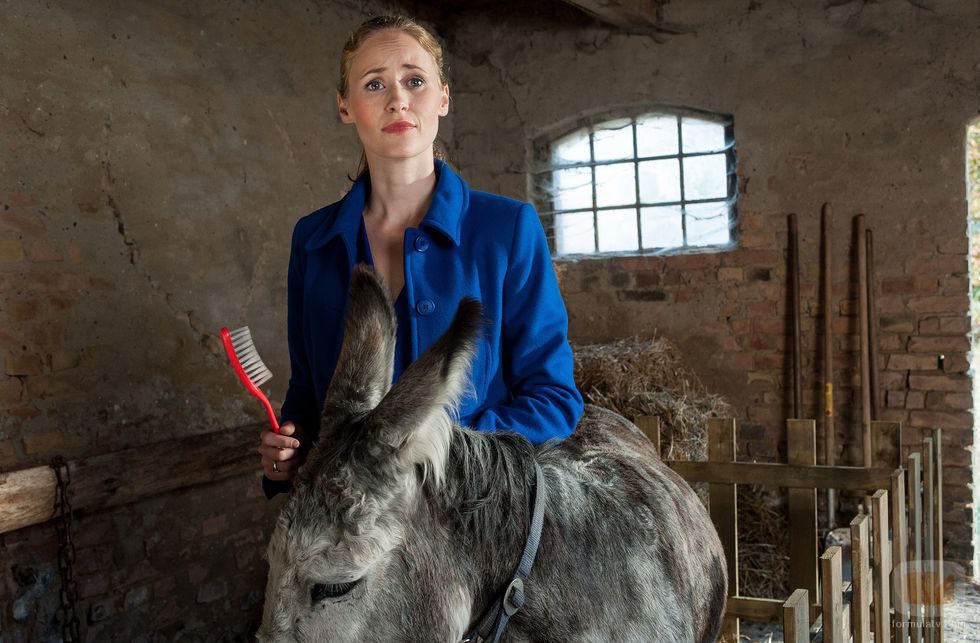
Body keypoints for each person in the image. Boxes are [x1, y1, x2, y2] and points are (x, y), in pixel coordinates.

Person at [258, 15, 583, 496]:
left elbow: (553, 399)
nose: (397, 100)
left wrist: (442, 452)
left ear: (443, 98)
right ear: (345, 106)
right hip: (353, 517)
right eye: (374, 84)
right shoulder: (313, 239)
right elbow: (307, 395)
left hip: (471, 511)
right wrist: (289, 451)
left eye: (415, 80)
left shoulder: (508, 228)